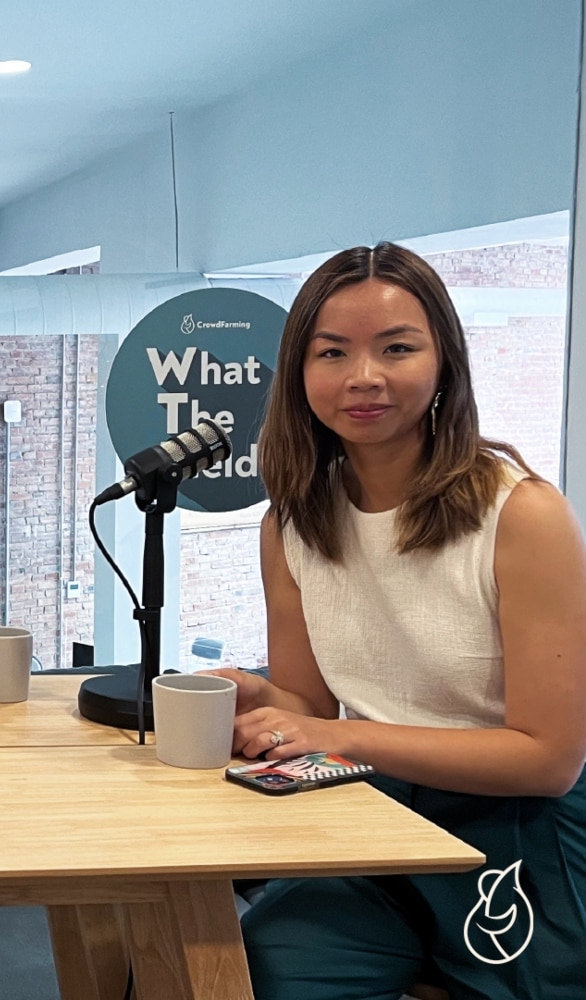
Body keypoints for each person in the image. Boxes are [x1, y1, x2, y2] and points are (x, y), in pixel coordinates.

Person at [213, 242, 586, 999]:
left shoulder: (523, 514)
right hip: (378, 814)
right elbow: (310, 705)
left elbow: (550, 760)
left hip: (522, 830)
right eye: (332, 352)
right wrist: (256, 697)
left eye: (396, 348)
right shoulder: (292, 521)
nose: (364, 377)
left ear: (444, 361)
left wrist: (341, 737)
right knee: (246, 970)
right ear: (300, 374)